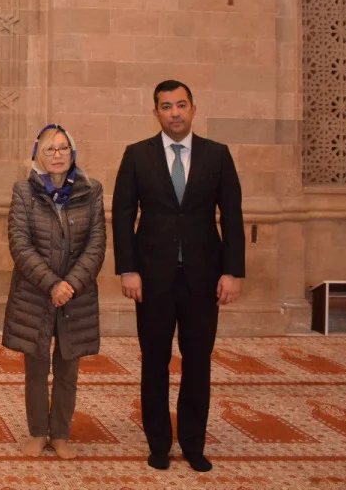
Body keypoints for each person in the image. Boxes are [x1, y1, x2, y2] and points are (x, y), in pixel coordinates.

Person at [112, 79, 244, 473]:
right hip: (151, 279)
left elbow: (232, 217)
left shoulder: (217, 155)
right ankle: (158, 442)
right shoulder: (137, 155)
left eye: (181, 105)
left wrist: (233, 271)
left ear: (193, 109)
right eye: (166, 106)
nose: (174, 113)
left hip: (203, 279)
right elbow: (122, 216)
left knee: (198, 360)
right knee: (154, 360)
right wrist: (128, 269)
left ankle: (192, 442)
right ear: (156, 113)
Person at [2, 124, 105, 460]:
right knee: (35, 365)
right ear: (38, 156)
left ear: (72, 153)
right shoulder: (23, 191)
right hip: (36, 293)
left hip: (77, 295)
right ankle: (36, 432)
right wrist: (52, 284)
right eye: (50, 149)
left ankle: (60, 434)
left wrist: (71, 285)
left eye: (63, 149)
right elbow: (20, 244)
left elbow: (96, 245)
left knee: (67, 367)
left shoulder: (91, 191)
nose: (58, 155)